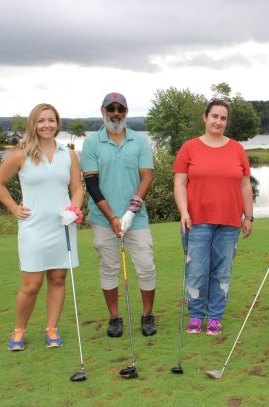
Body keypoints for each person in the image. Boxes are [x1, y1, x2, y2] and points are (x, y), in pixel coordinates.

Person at [0, 103, 84, 351]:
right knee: (31, 286)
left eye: (51, 120)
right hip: (33, 227)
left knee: (57, 278)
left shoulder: (69, 154)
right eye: (41, 120)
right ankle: (19, 330)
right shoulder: (21, 154)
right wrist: (13, 208)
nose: (47, 125)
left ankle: (51, 328)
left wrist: (74, 210)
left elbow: (77, 189)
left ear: (57, 124)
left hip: (62, 226)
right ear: (33, 124)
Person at [173, 98, 254, 336]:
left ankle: (215, 317)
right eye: (214, 116)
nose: (218, 121)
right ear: (205, 117)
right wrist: (184, 211)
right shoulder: (189, 147)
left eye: (223, 118)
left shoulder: (237, 148)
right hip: (196, 220)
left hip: (229, 222)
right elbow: (180, 182)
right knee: (197, 270)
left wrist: (249, 216)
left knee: (222, 272)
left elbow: (245, 185)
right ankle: (197, 316)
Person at [81, 92, 157, 337]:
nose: (115, 113)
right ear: (103, 111)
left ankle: (147, 315)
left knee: (146, 267)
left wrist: (130, 212)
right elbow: (91, 184)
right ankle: (114, 317)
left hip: (137, 217)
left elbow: (147, 176)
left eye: (120, 109)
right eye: (110, 109)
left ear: (126, 111)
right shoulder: (92, 143)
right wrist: (113, 217)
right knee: (109, 267)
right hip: (103, 219)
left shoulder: (139, 141)